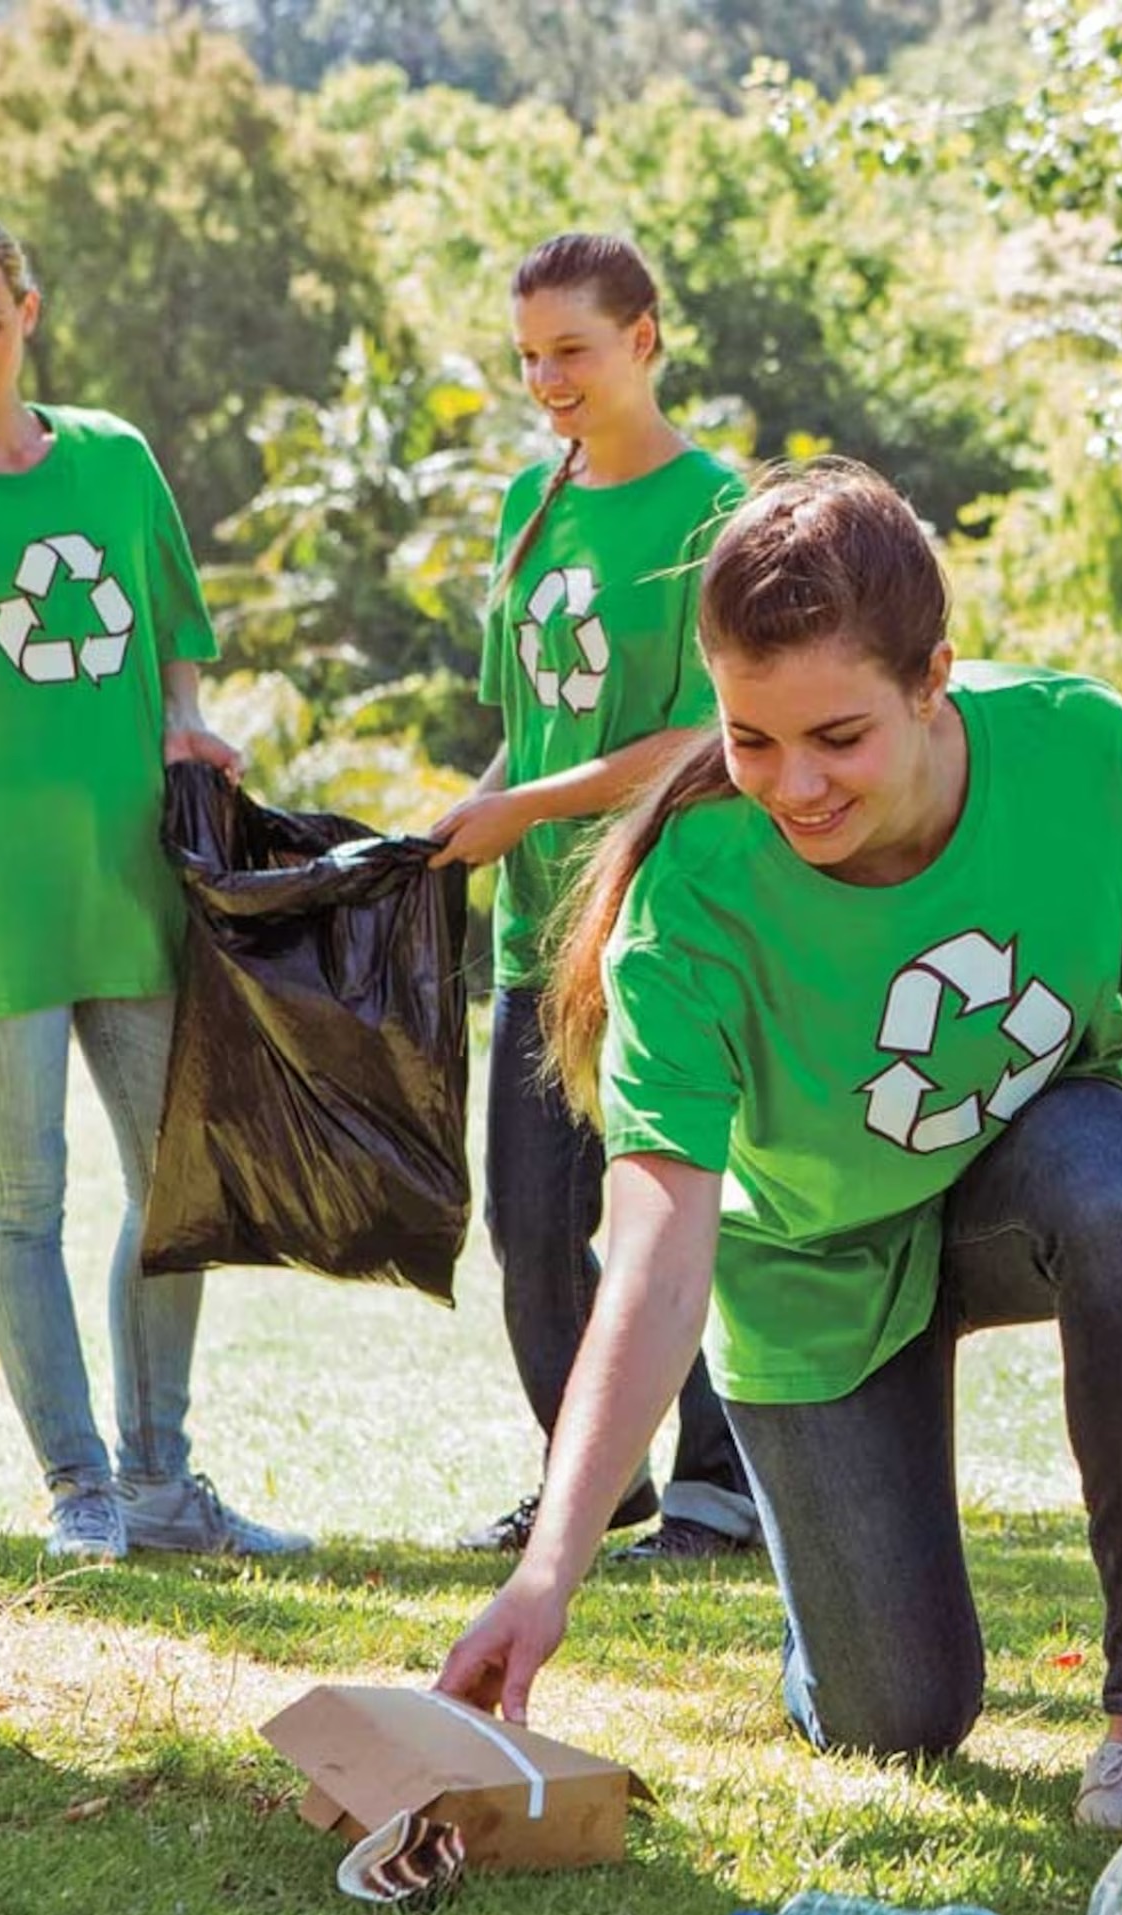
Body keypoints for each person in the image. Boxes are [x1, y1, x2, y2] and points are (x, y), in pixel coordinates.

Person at [437, 459, 1122, 1829]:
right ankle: (835, 1615)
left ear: (932, 676)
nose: (793, 786)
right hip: (812, 1271)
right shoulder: (692, 904)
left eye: (838, 736)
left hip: (1016, 1185)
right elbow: (654, 1254)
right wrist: (551, 1569)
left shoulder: (1087, 751)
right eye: (750, 739)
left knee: (1113, 1178)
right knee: (900, 1718)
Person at [0, 204, 306, 1561]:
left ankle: (163, 1481)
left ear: (28, 312)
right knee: (22, 1195)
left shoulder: (115, 460)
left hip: (130, 870)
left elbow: (173, 632)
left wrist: (182, 718)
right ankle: (78, 1487)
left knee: (175, 1182)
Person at [428, 233, 758, 1563]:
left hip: (662, 926)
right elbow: (535, 725)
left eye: (572, 350)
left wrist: (523, 808)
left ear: (645, 340)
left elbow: (699, 742)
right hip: (532, 931)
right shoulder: (531, 501)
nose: (547, 380)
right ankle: (594, 1474)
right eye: (528, 358)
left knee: (670, 1214)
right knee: (526, 1231)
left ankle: (719, 1486)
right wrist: (473, 810)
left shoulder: (713, 511)